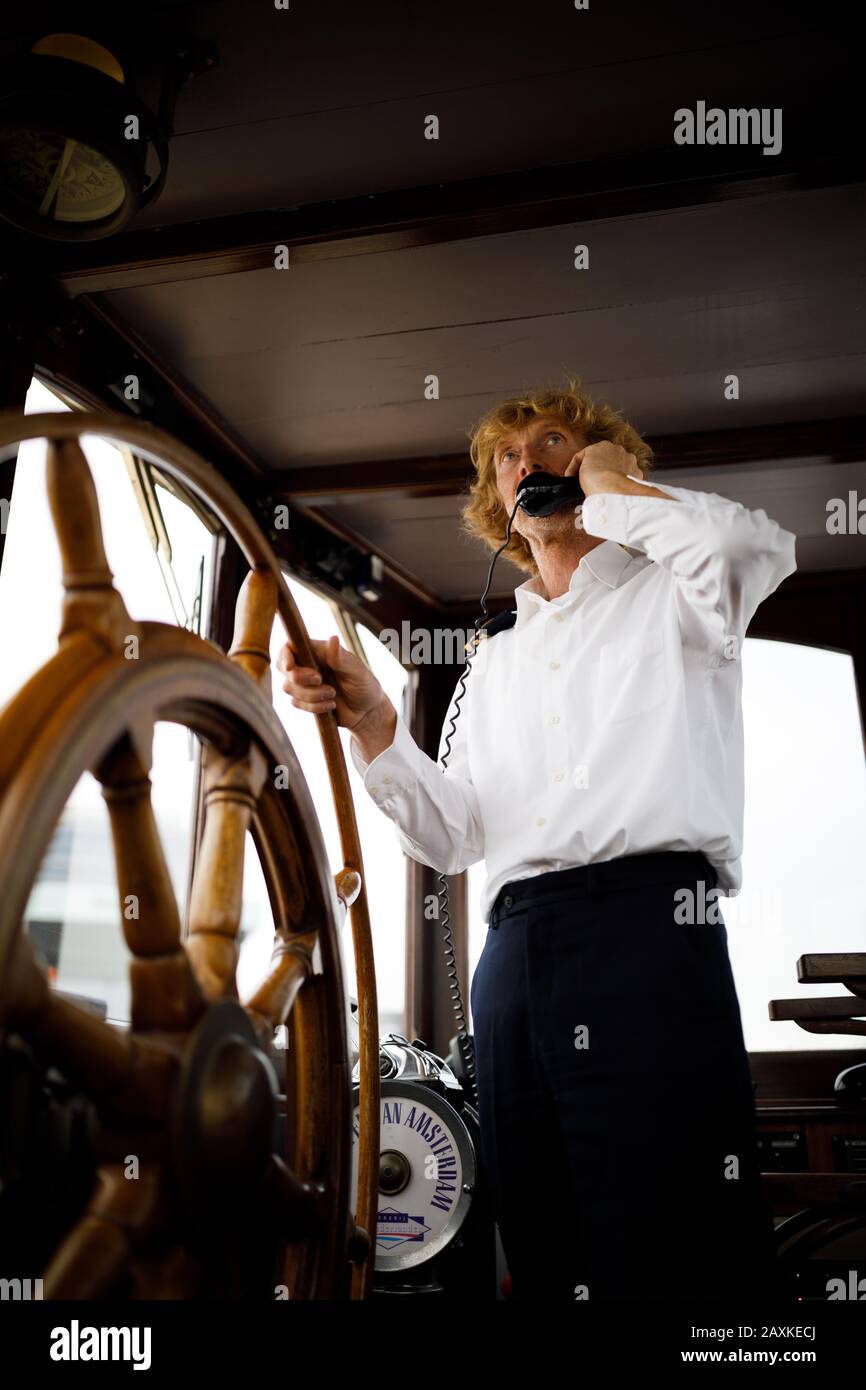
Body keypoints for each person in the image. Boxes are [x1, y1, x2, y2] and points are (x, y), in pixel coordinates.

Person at [276, 381, 797, 1303]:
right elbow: (453, 834)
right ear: (496, 500)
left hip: (651, 933)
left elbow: (752, 545)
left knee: (673, 1227)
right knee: (545, 1233)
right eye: (506, 458)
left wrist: (614, 490)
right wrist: (377, 728)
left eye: (552, 442)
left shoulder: (678, 594)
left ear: (602, 461)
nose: (528, 463)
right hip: (515, 954)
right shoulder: (497, 656)